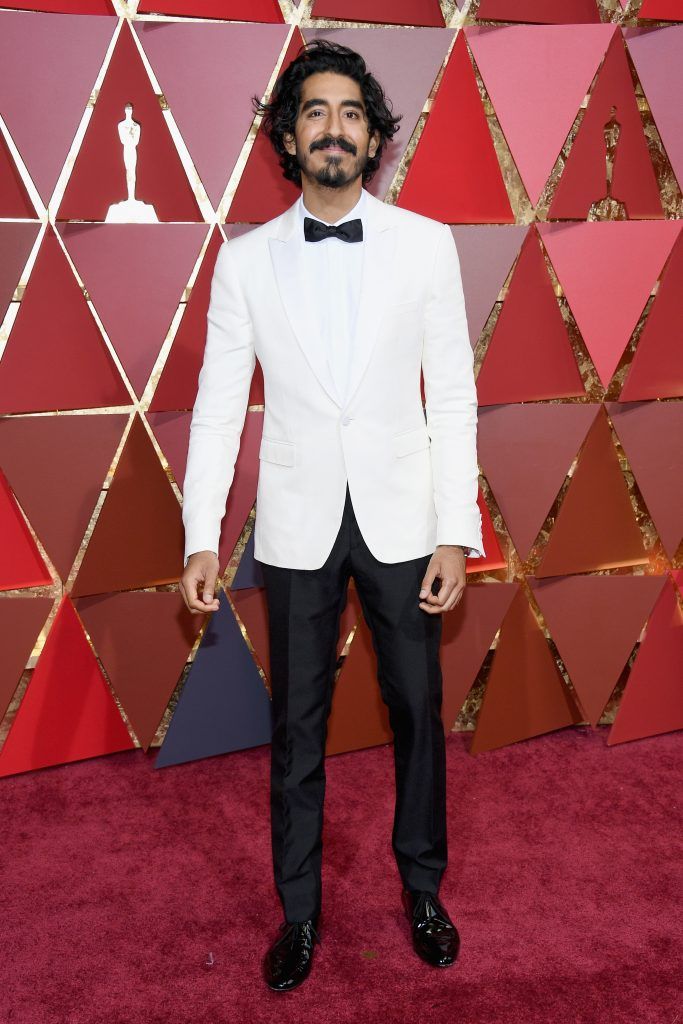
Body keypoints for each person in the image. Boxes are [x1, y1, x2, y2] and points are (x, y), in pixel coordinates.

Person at [180, 38, 485, 992]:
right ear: (289, 135)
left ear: (373, 135)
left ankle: (423, 890)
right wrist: (199, 534)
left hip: (402, 516)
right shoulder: (244, 265)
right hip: (298, 522)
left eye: (350, 113)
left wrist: (454, 527)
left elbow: (454, 397)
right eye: (314, 112)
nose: (334, 129)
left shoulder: (426, 245)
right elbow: (221, 403)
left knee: (418, 713)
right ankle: (299, 913)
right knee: (297, 727)